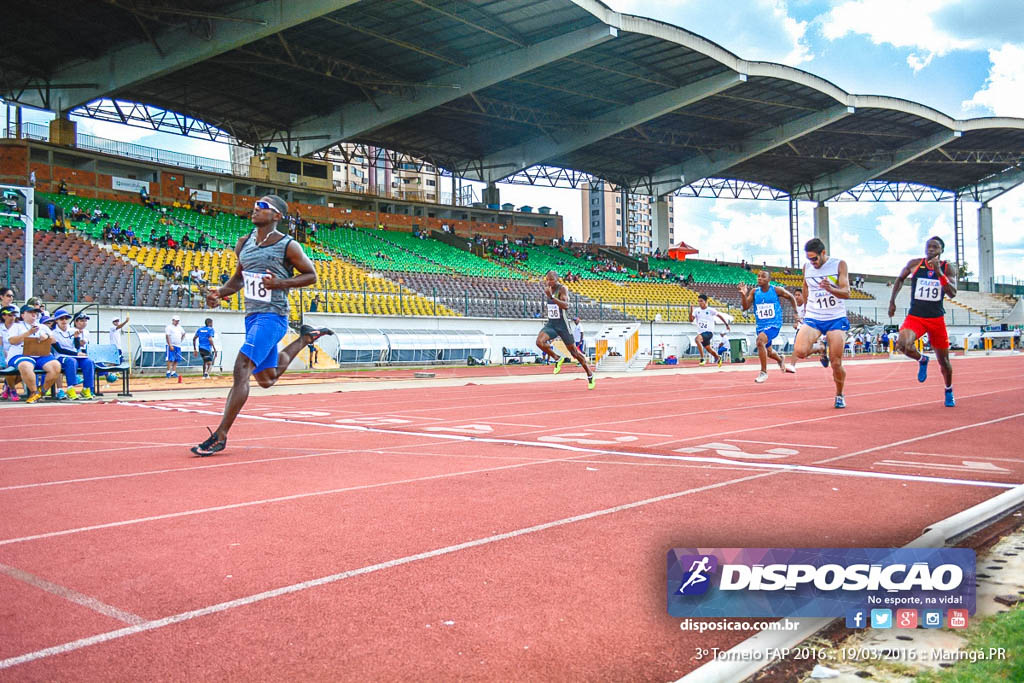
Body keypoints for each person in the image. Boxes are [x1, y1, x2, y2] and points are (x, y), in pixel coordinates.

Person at [192, 195, 332, 456]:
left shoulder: (288, 245)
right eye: (256, 205)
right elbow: (237, 281)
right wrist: (219, 294)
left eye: (263, 206)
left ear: (277, 216)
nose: (256, 209)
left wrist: (280, 283)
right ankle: (305, 339)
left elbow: (311, 275)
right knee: (267, 379)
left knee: (242, 367)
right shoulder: (244, 243)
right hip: (252, 317)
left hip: (273, 316)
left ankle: (220, 435)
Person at [888, 236, 957, 407]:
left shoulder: (948, 268)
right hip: (916, 317)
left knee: (944, 363)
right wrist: (892, 301)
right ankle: (922, 359)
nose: (931, 249)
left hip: (936, 320)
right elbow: (900, 278)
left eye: (935, 247)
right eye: (928, 246)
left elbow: (952, 293)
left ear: (941, 250)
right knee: (902, 344)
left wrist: (939, 273)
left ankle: (948, 389)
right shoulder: (915, 264)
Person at [790, 238, 852, 408]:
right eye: (809, 259)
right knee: (800, 351)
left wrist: (831, 289)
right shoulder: (807, 267)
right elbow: (805, 286)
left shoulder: (839, 265)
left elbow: (847, 292)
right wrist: (804, 308)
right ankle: (820, 348)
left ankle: (839, 394)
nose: (812, 262)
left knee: (836, 362)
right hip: (814, 316)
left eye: (815, 259)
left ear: (823, 253)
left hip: (835, 318)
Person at [535, 271, 595, 390]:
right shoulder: (548, 289)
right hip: (551, 324)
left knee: (574, 353)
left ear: (557, 279)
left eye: (551, 279)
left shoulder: (562, 289)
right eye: (547, 279)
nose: (548, 282)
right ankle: (557, 358)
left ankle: (590, 374)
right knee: (539, 342)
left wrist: (551, 297)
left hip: (563, 325)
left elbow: (566, 306)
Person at [739, 271, 800, 383]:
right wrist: (743, 295)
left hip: (774, 324)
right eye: (758, 276)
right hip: (761, 326)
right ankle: (780, 358)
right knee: (769, 351)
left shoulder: (776, 290)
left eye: (763, 277)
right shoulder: (754, 292)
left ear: (769, 279)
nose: (759, 278)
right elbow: (745, 307)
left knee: (760, 341)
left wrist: (796, 312)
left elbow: (791, 297)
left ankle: (763, 372)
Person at [6, 303, 62, 404]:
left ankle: (41, 392)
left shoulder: (42, 327)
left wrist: (46, 336)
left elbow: (54, 340)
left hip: (41, 354)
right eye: (30, 312)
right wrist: (28, 333)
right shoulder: (16, 326)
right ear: (23, 315)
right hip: (21, 354)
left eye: (35, 313)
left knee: (56, 366)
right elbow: (12, 341)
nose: (34, 315)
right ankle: (33, 392)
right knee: (25, 365)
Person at [51, 309, 96, 400]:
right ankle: (70, 388)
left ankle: (86, 388)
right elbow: (60, 350)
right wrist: (77, 353)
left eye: (66, 318)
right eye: (61, 319)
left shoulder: (73, 330)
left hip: (75, 355)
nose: (64, 321)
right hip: (61, 357)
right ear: (56, 320)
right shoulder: (53, 333)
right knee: (71, 361)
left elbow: (76, 346)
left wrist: (76, 338)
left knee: (89, 362)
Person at [689, 294, 731, 367]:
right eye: (698, 301)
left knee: (697, 339)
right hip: (701, 333)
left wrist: (726, 324)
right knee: (709, 349)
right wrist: (691, 310)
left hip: (709, 332)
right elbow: (691, 320)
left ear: (705, 301)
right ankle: (718, 357)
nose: (700, 303)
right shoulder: (696, 311)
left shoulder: (710, 310)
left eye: (701, 301)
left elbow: (720, 316)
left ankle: (702, 358)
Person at [1, 305, 21, 400]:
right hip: (3, 355)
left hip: (17, 354)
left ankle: (7, 387)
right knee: (10, 366)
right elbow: (0, 346)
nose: (12, 317)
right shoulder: (0, 328)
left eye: (14, 315)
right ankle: (12, 389)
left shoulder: (19, 327)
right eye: (10, 315)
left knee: (26, 368)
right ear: (4, 316)